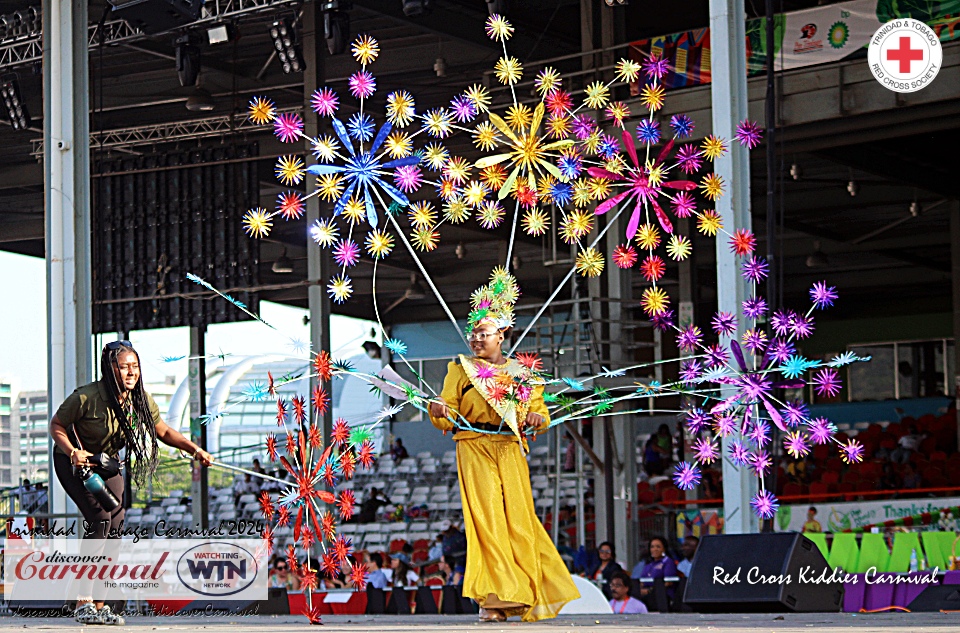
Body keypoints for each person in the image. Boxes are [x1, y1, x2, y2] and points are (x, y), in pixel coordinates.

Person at [427, 270, 579, 622]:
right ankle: (493, 599)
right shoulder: (459, 370)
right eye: (473, 333)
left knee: (520, 521)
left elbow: (537, 410)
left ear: (502, 334)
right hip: (473, 445)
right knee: (488, 520)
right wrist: (439, 409)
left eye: (484, 333)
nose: (476, 339)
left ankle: (524, 591)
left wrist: (540, 418)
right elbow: (447, 409)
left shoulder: (522, 373)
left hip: (509, 447)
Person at [49, 340, 212, 625]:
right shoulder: (86, 397)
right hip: (74, 463)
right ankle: (83, 601)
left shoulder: (141, 400)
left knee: (116, 525)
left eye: (135, 367)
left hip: (107, 464)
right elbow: (56, 425)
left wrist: (193, 449)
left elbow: (162, 430)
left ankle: (101, 605)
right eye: (124, 366)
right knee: (100, 519)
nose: (131, 372)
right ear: (110, 368)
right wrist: (74, 452)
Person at [632, 536, 678, 609]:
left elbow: (669, 582)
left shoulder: (668, 562)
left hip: (662, 596)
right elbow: (642, 581)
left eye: (658, 547)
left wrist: (650, 590)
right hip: (647, 594)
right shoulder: (649, 564)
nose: (655, 549)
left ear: (664, 549)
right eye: (652, 547)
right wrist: (639, 590)